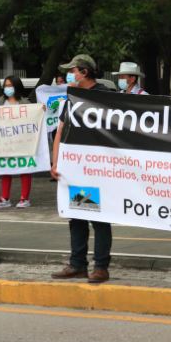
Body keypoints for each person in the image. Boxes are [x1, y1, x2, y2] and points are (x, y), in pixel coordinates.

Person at [50, 54, 114, 283]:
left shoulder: (105, 95)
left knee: (100, 218)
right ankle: (78, 264)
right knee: (77, 215)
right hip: (77, 168)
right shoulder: (71, 99)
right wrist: (55, 161)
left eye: (73, 70)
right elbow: (60, 131)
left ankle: (101, 267)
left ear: (84, 72)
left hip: (100, 169)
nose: (69, 75)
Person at [0, 76, 33, 208]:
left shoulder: (25, 102)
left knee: (25, 167)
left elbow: (33, 118)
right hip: (6, 141)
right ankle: (4, 198)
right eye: (6, 85)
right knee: (6, 168)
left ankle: (25, 198)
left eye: (10, 85)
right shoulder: (0, 101)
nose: (7, 88)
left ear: (16, 86)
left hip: (22, 141)